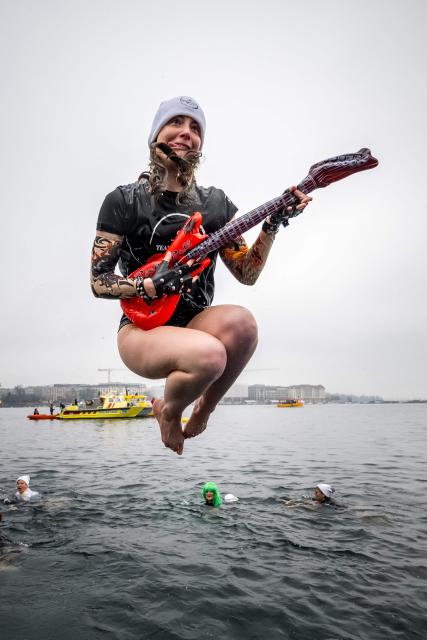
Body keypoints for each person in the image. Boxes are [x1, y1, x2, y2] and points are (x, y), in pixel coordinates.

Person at [91, 96, 311, 455]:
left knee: (244, 325)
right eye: (176, 122)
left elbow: (247, 273)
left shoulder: (214, 204)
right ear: (156, 133)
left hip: (197, 322)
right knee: (210, 356)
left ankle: (204, 408)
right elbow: (98, 279)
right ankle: (169, 412)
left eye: (195, 128)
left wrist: (272, 226)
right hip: (142, 330)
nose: (186, 133)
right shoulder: (124, 200)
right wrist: (147, 284)